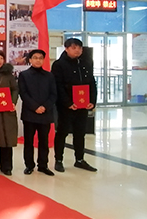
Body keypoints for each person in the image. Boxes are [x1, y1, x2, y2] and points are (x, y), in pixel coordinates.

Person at [52, 38, 98, 172]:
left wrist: (92, 101)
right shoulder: (59, 64)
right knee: (62, 132)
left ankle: (79, 159)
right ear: (66, 49)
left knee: (80, 133)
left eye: (79, 48)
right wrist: (67, 103)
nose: (77, 50)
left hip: (83, 105)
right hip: (66, 106)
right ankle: (58, 160)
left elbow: (92, 83)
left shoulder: (86, 63)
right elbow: (58, 86)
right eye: (74, 47)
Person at [18, 49, 57, 176]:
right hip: (30, 113)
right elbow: (23, 93)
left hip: (46, 113)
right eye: (35, 58)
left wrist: (45, 106)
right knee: (29, 141)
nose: (38, 60)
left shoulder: (49, 76)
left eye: (40, 58)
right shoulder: (24, 75)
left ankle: (43, 165)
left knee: (44, 141)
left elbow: (53, 94)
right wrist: (35, 107)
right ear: (30, 60)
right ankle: (29, 165)